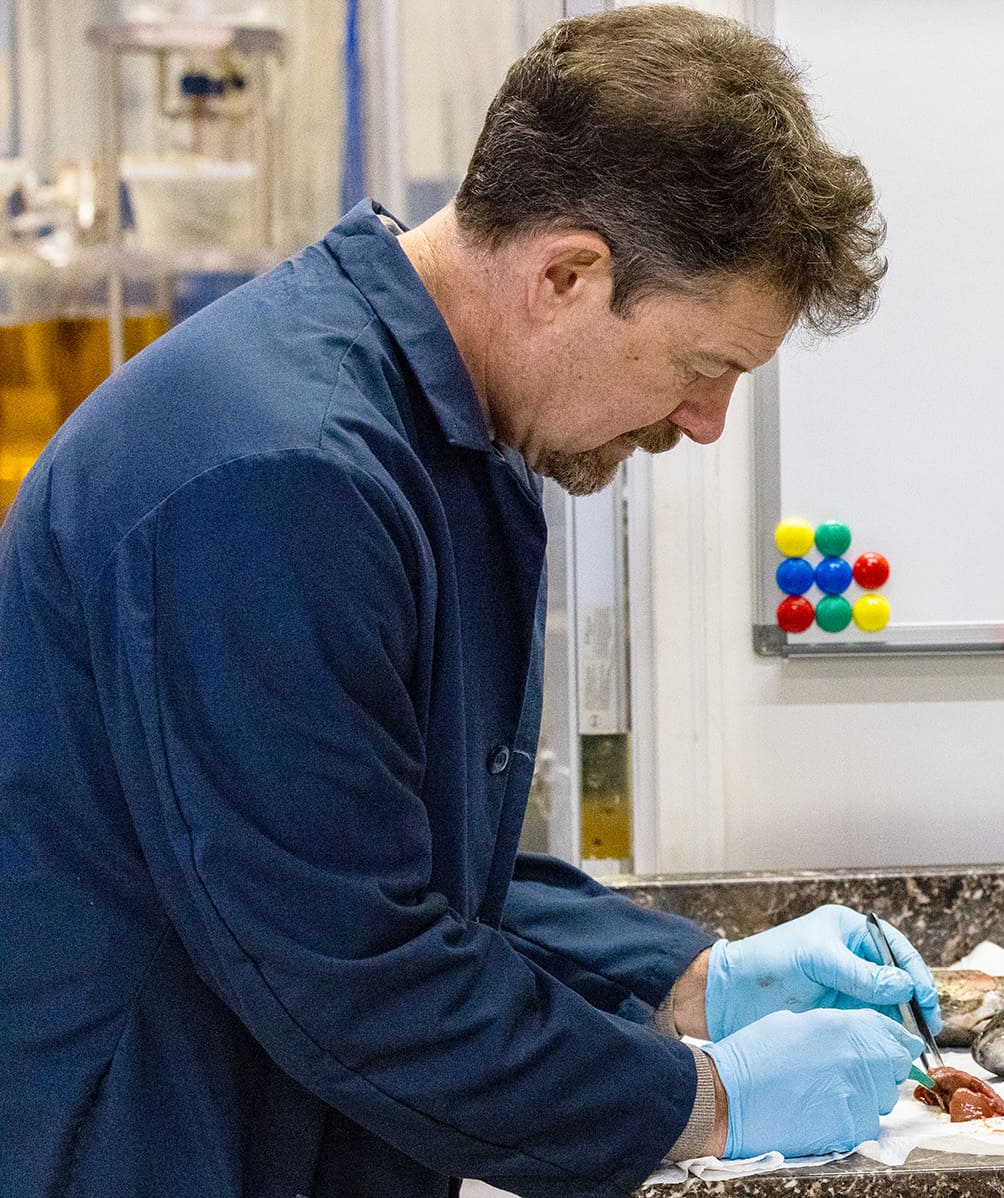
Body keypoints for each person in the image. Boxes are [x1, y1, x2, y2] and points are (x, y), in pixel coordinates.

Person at [0, 9, 943, 1197]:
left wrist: (692, 975)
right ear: (566, 273)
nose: (705, 424)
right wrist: (709, 1102)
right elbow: (350, 961)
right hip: (148, 1147)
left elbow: (414, 866)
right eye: (704, 369)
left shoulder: (426, 438)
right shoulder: (279, 478)